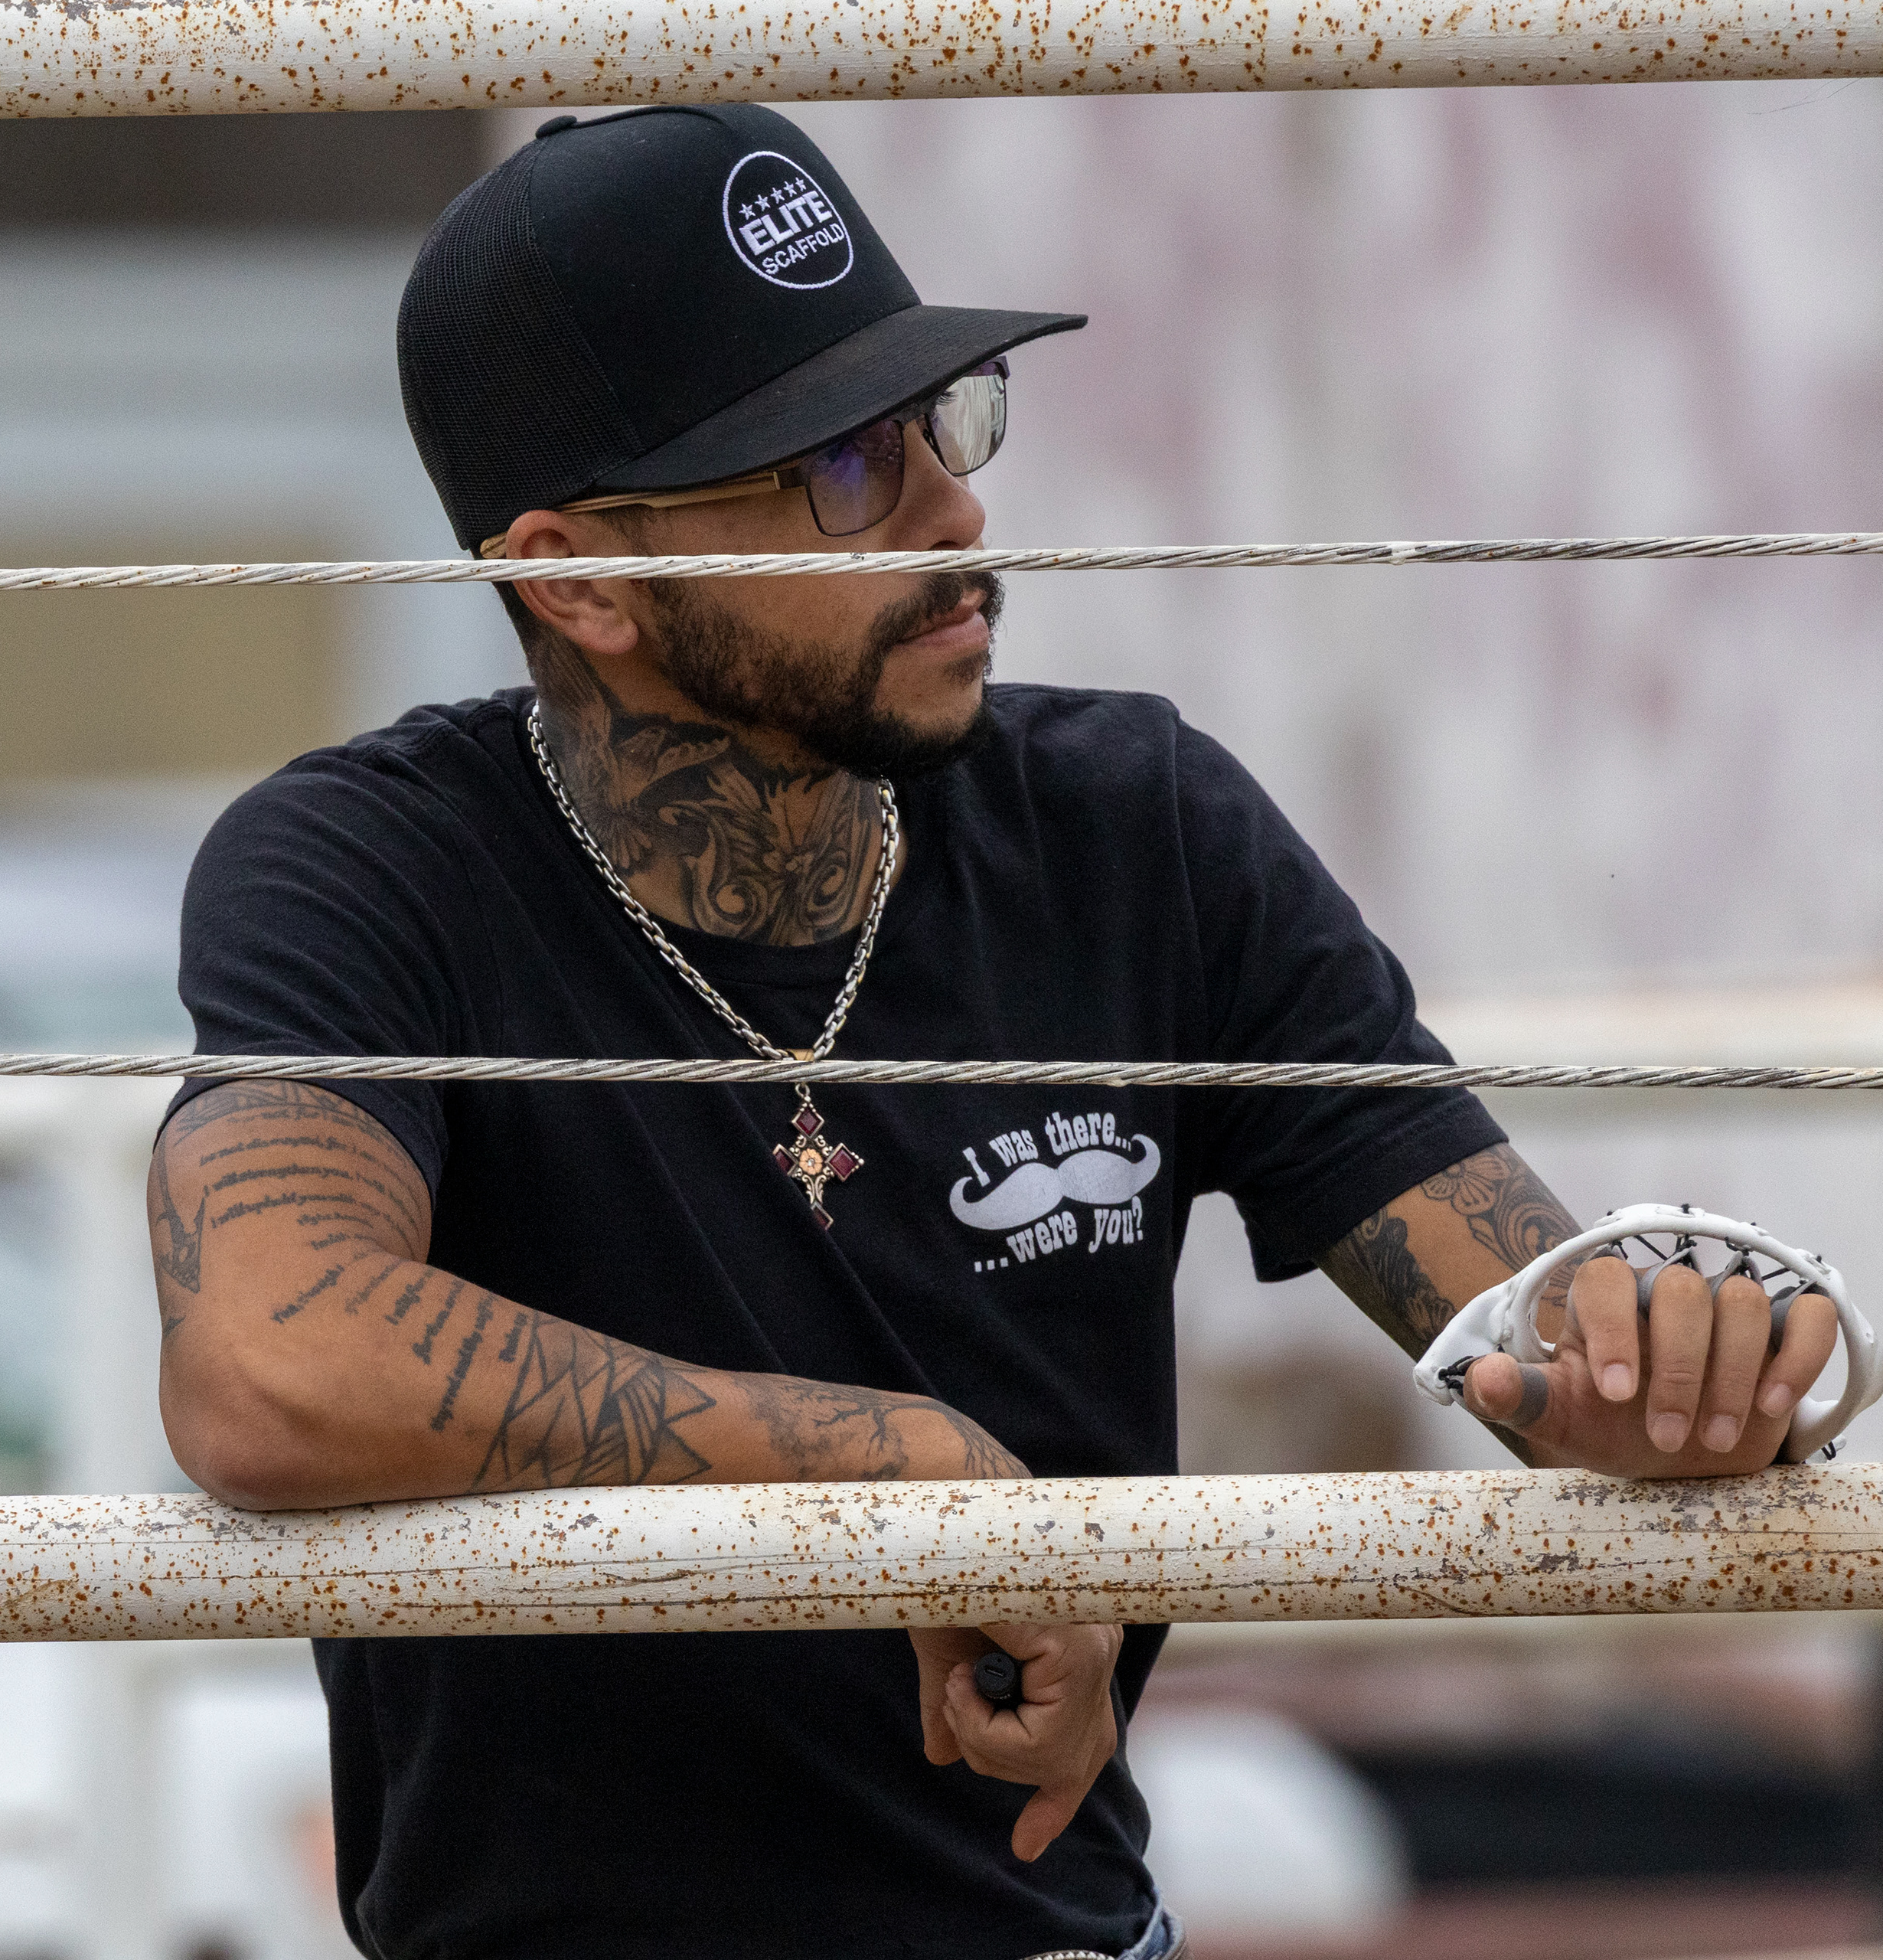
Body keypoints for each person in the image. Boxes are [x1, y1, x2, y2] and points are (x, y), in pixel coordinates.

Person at [145, 104, 1839, 1960]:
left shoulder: (1139, 827)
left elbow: (1522, 1324)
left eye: (951, 421)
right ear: (581, 579)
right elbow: (271, 1357)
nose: (959, 513)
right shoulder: (376, 865)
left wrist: (1695, 1351)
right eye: (845, 468)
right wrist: (908, 1474)